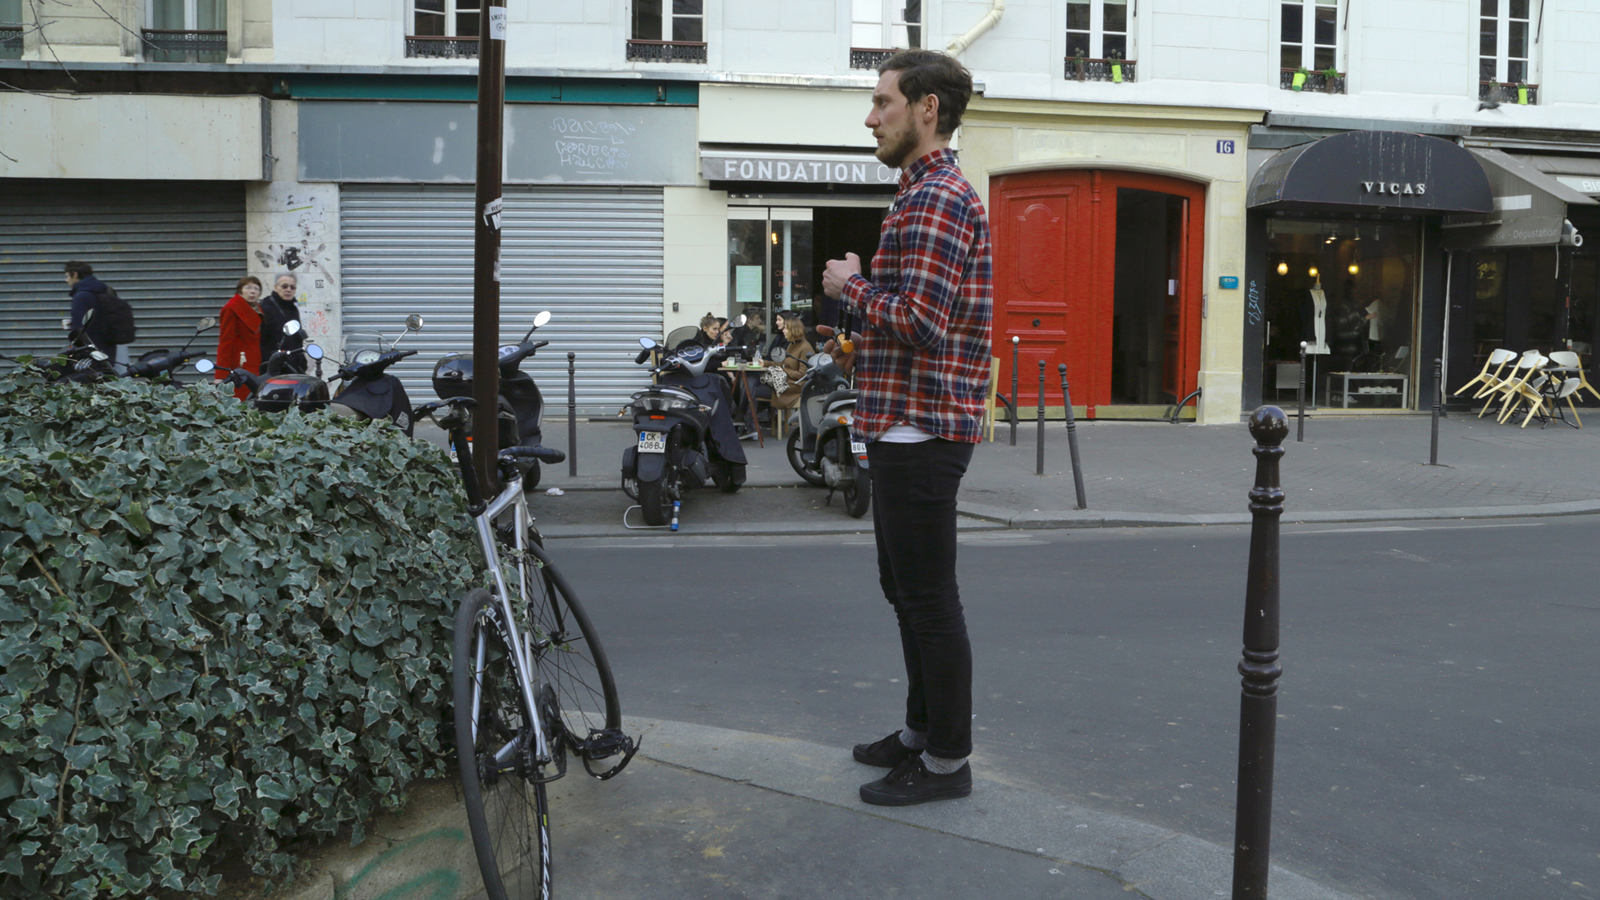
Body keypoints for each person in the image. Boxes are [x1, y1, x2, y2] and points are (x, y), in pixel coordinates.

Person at [821, 49, 993, 807]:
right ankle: (921, 734)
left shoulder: (940, 197)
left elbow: (922, 322)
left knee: (928, 598)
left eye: (882, 101)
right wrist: (868, 295)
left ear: (926, 109)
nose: (870, 115)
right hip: (901, 422)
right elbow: (919, 310)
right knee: (906, 589)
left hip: (923, 428)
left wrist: (850, 286)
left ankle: (947, 761)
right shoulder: (917, 192)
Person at [63, 261, 131, 366]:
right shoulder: (103, 291)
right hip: (107, 350)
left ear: (75, 274)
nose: (66, 280)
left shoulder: (81, 296)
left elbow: (79, 330)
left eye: (67, 276)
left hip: (88, 355)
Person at [216, 276, 264, 400]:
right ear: (240, 290)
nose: (252, 291)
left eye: (256, 288)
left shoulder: (257, 310)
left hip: (254, 364)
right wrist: (220, 375)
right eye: (248, 287)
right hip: (238, 365)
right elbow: (225, 343)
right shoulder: (231, 309)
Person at [260, 272, 306, 374]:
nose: (288, 290)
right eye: (284, 286)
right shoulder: (266, 308)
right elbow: (262, 340)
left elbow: (296, 338)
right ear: (276, 288)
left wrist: (301, 362)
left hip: (293, 366)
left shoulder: (293, 309)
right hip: (273, 366)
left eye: (292, 287)